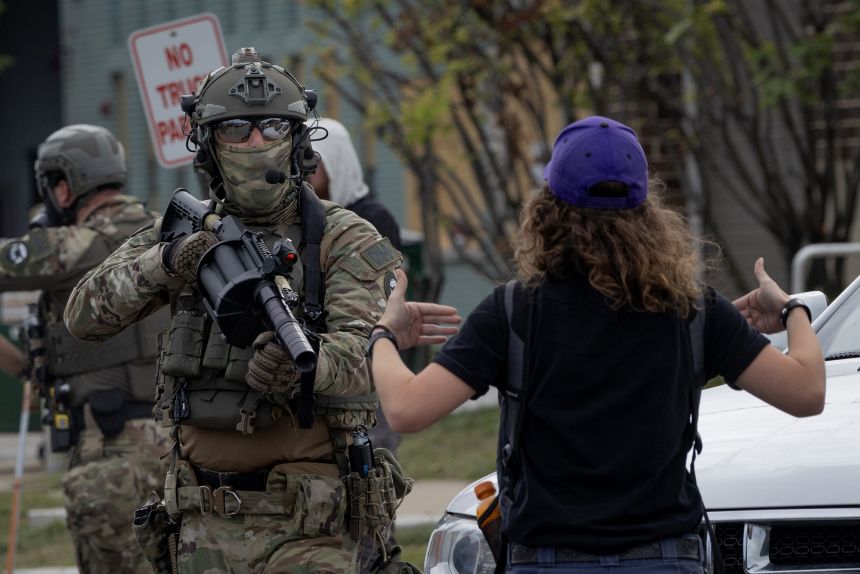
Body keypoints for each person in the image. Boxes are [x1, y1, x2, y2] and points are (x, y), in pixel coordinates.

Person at [367, 116, 825, 573]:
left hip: (546, 562)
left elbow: (406, 409)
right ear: (648, 210)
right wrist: (791, 310)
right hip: (666, 561)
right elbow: (807, 393)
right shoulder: (697, 314)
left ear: (548, 208)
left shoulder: (511, 313)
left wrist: (384, 335)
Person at [64, 47, 408, 574]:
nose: (255, 144)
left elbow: (367, 349)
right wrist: (166, 264)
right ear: (208, 145)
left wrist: (306, 363)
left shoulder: (343, 238)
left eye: (272, 128)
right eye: (236, 130)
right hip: (200, 525)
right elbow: (82, 316)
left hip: (309, 526)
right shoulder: (181, 233)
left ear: (298, 141)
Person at [0, 124, 171, 574]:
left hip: (110, 455)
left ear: (63, 186)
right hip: (185, 452)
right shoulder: (167, 236)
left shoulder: (71, 246)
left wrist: (23, 368)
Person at [307, 116, 403, 455]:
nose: (304, 169)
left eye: (314, 161)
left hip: (366, 366)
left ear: (338, 163)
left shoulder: (371, 220)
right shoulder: (304, 222)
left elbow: (384, 294)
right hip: (322, 369)